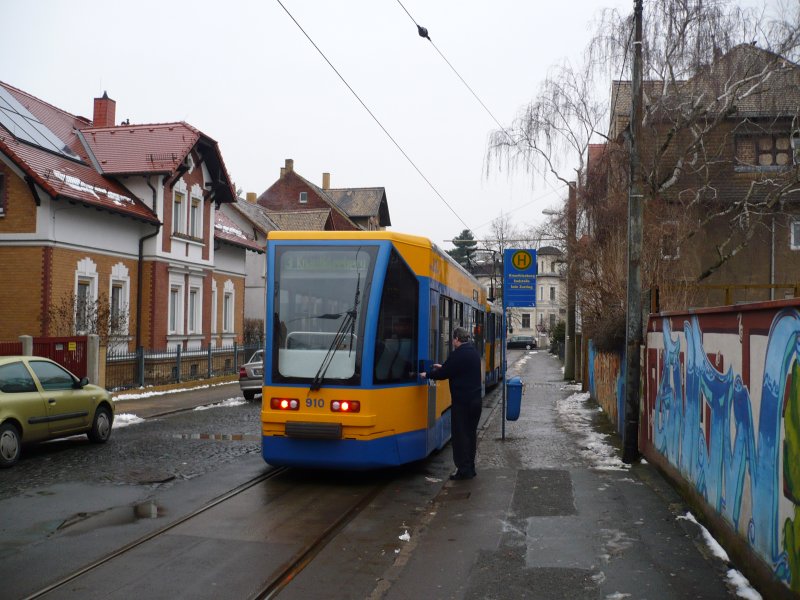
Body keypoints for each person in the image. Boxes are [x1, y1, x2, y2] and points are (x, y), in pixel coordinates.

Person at [421, 326, 482, 480]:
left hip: (462, 403)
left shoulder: (458, 354)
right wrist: (444, 367)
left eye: (453, 339)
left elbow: (443, 374)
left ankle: (463, 471)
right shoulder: (473, 353)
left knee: (460, 436)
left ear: (456, 339)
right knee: (470, 435)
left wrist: (426, 374)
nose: (453, 342)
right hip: (475, 402)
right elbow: (456, 369)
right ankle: (470, 468)